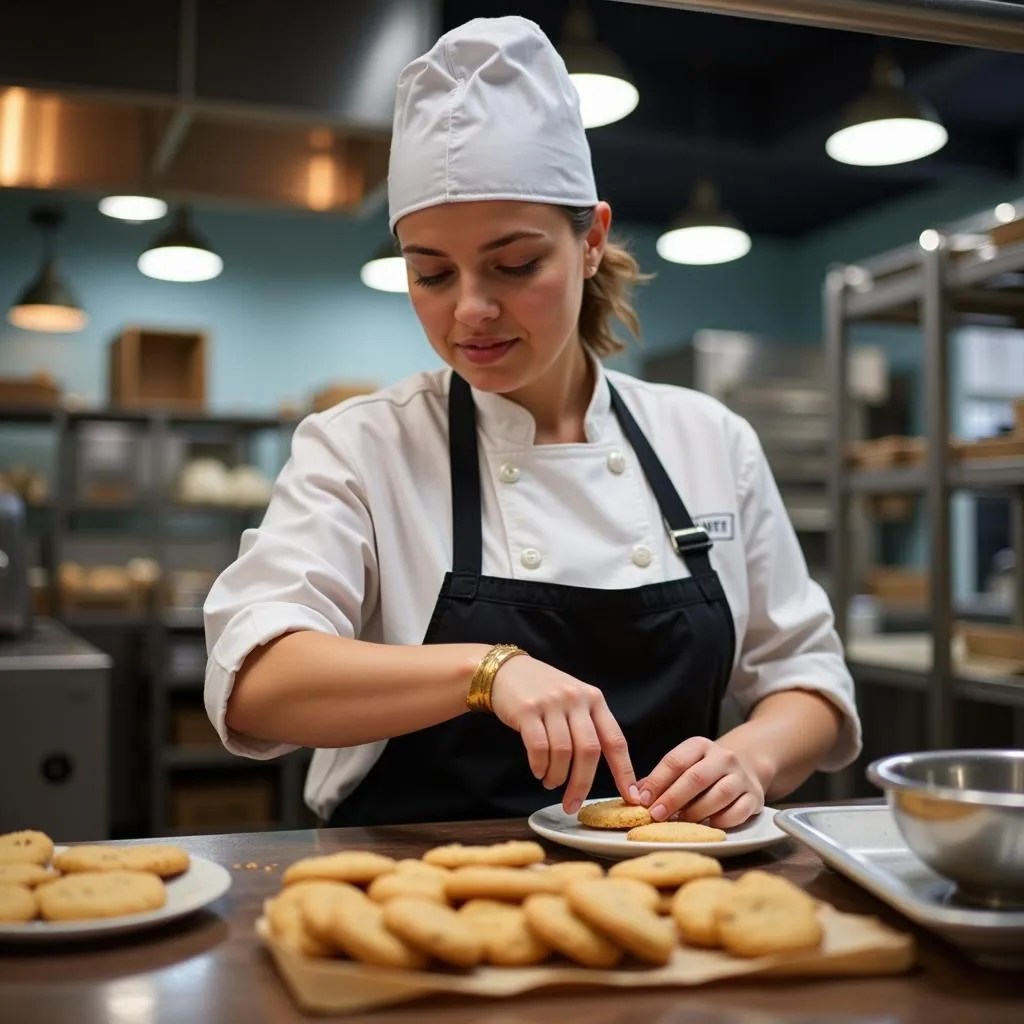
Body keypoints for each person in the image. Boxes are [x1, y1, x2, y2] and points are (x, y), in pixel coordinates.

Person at [203, 16, 861, 830]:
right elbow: (257, 681)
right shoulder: (363, 446)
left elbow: (808, 680)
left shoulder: (709, 440)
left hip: (665, 897)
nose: (471, 311)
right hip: (410, 901)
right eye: (431, 272)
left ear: (591, 241)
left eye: (515, 265)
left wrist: (752, 758)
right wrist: (486, 670)